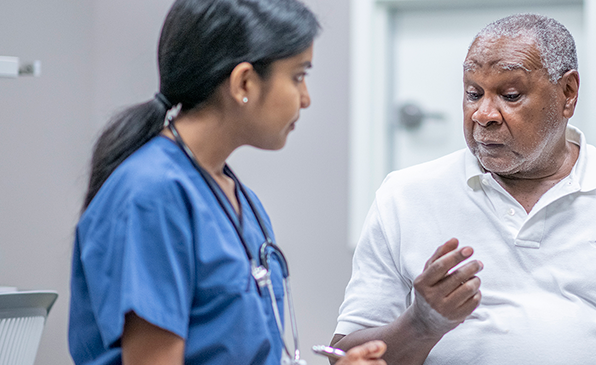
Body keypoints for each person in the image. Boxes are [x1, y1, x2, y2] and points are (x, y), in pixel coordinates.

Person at [331, 14, 596, 365]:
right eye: (473, 93)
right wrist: (422, 323)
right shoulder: (405, 196)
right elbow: (343, 358)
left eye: (510, 95)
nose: (484, 115)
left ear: (568, 93)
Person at [68, 0, 386, 364]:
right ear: (244, 82)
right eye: (298, 76)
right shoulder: (151, 195)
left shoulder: (240, 201)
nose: (306, 98)